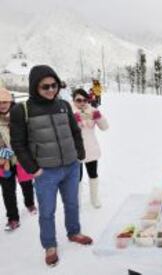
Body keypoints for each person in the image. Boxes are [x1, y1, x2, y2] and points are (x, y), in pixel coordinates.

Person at [10, 65, 93, 266]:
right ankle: (50, 245)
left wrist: (79, 154)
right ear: (34, 87)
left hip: (71, 166)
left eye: (54, 85)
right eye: (44, 87)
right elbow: (18, 144)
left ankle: (74, 232)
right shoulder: (22, 110)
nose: (50, 90)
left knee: (72, 203)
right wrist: (33, 169)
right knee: (47, 211)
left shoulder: (64, 105)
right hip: (45, 171)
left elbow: (75, 132)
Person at [0, 88, 36, 232]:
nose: (2, 105)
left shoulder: (19, 116)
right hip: (4, 162)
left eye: (4, 101)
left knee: (26, 184)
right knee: (7, 191)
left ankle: (30, 203)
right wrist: (5, 153)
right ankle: (13, 218)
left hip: (22, 159)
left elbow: (29, 136)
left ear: (10, 101)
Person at [71, 88, 109, 208]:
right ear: (74, 100)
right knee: (77, 178)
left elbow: (105, 127)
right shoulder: (69, 112)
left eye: (85, 100)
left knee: (93, 174)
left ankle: (94, 199)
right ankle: (77, 201)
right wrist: (73, 121)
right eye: (78, 100)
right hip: (76, 150)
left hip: (91, 148)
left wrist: (99, 117)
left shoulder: (92, 111)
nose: (82, 102)